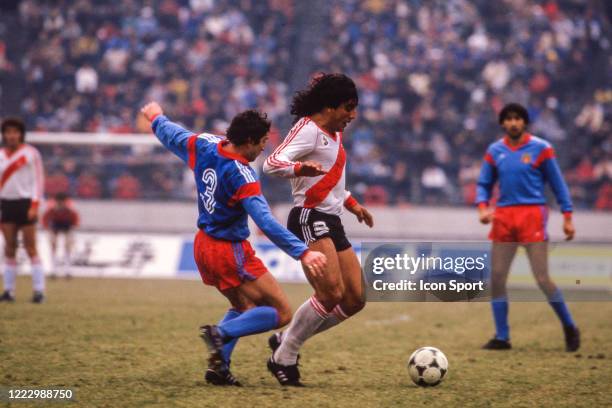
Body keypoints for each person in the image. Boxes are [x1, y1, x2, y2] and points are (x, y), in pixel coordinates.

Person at [140, 101, 327, 386]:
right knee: (280, 312)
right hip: (229, 250)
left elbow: (171, 134)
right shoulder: (242, 175)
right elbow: (264, 221)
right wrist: (302, 252)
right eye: (263, 142)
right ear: (249, 141)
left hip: (204, 245)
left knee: (243, 307)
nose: (263, 148)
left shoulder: (205, 144)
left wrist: (156, 116)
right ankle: (220, 334)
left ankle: (219, 366)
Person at [263, 73, 374, 386]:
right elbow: (271, 163)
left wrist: (353, 205)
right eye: (349, 107)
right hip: (308, 217)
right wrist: (298, 167)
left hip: (332, 219)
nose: (353, 115)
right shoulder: (308, 129)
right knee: (330, 293)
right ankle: (284, 356)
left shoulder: (335, 134)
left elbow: (331, 181)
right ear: (330, 106)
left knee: (354, 299)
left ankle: (286, 338)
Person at [476, 103, 580, 352]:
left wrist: (567, 216)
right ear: (502, 123)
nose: (513, 123)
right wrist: (482, 208)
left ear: (525, 122)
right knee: (497, 278)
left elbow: (558, 184)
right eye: (509, 119)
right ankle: (502, 337)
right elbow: (483, 184)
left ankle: (569, 326)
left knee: (542, 278)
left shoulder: (541, 148)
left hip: (532, 215)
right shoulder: (495, 150)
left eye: (518, 118)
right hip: (503, 217)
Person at [0, 118, 45, 304]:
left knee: (30, 247)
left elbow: (38, 180)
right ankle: (9, 291)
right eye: (8, 132)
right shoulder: (1, 154)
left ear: (21, 134)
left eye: (15, 132)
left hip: (25, 204)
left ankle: (38, 291)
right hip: (6, 204)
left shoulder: (30, 153)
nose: (11, 135)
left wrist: (35, 204)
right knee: (9, 247)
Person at [42, 192, 80, 279]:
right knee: (53, 245)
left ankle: (67, 270)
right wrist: (48, 228)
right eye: (59, 202)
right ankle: (53, 270)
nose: (61, 204)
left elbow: (76, 219)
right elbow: (45, 219)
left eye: (62, 202)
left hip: (67, 226)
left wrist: (73, 228)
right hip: (54, 226)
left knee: (68, 245)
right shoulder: (51, 208)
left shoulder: (70, 208)